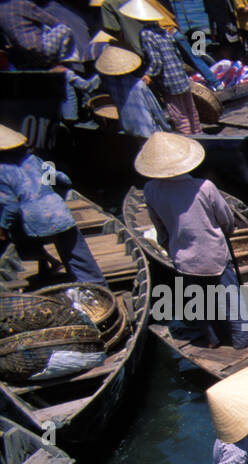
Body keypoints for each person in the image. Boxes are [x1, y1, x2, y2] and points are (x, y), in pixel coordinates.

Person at [136, 132, 248, 349]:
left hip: (183, 257)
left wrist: (168, 246)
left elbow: (160, 229)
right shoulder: (204, 187)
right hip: (213, 254)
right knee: (230, 297)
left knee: (200, 300)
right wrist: (227, 230)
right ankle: (242, 339)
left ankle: (212, 339)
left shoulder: (151, 190)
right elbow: (225, 219)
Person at [0, 123, 106, 285]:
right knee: (79, 259)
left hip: (34, 221)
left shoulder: (2, 170)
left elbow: (10, 207)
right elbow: (63, 179)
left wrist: (2, 227)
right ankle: (97, 287)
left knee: (14, 238)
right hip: (59, 212)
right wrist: (47, 190)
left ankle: (43, 263)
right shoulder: (33, 159)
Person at [122, 0, 201, 135]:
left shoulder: (145, 34)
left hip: (169, 80)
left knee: (179, 115)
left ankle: (189, 140)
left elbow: (156, 61)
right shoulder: (163, 30)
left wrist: (148, 75)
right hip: (180, 76)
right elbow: (176, 54)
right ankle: (198, 133)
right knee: (191, 110)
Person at [95, 44, 170, 140]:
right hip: (145, 128)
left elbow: (88, 85)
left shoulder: (109, 83)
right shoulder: (138, 85)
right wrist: (166, 127)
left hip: (126, 124)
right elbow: (154, 108)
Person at [0, 0, 79, 68]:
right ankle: (66, 62)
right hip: (40, 49)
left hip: (22, 55)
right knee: (63, 28)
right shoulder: (22, 4)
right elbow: (53, 22)